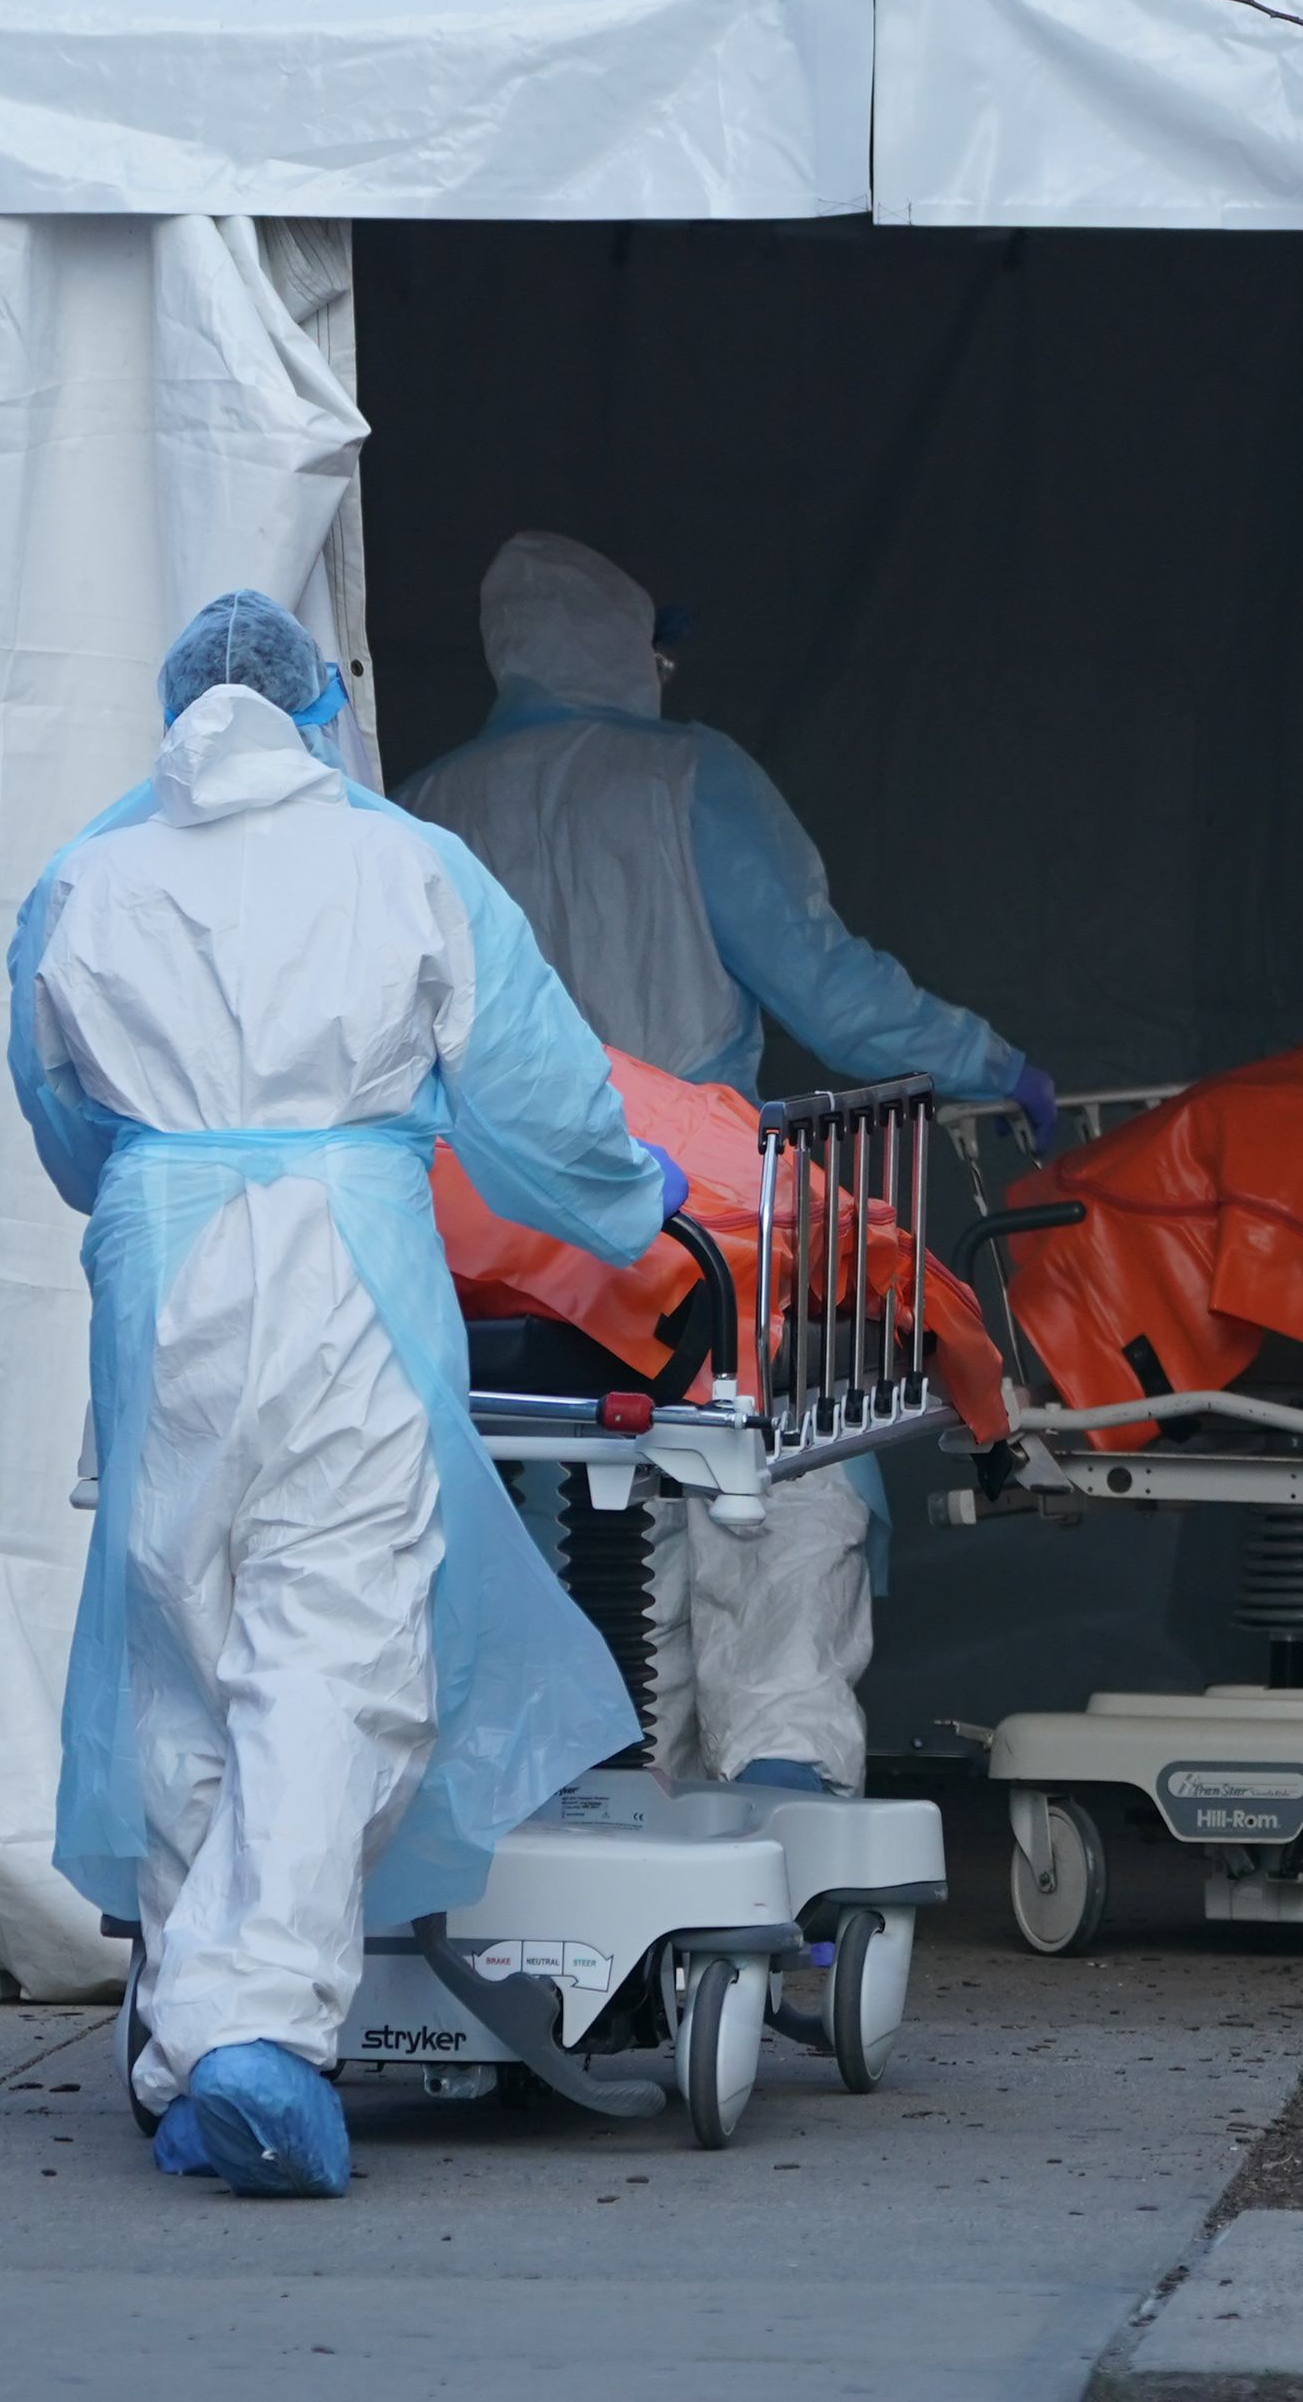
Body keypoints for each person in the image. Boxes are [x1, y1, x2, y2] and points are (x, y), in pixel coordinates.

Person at [13, 590, 686, 2198]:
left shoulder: (84, 882)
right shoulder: (403, 865)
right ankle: (260, 2037)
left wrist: (169, 1182)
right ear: (321, 716)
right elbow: (528, 1083)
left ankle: (188, 2040)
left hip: (157, 1262)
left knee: (183, 1633)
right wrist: (626, 1196)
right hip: (346, 1273)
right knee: (334, 1640)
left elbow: (60, 1122)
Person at [404, 532, 1052, 1797]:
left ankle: (588, 1824)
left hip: (503, 1255)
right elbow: (834, 990)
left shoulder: (424, 811)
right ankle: (779, 1823)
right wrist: (995, 1065)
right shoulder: (690, 779)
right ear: (626, 646)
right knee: (776, 1501)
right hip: (709, 1217)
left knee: (567, 1539)